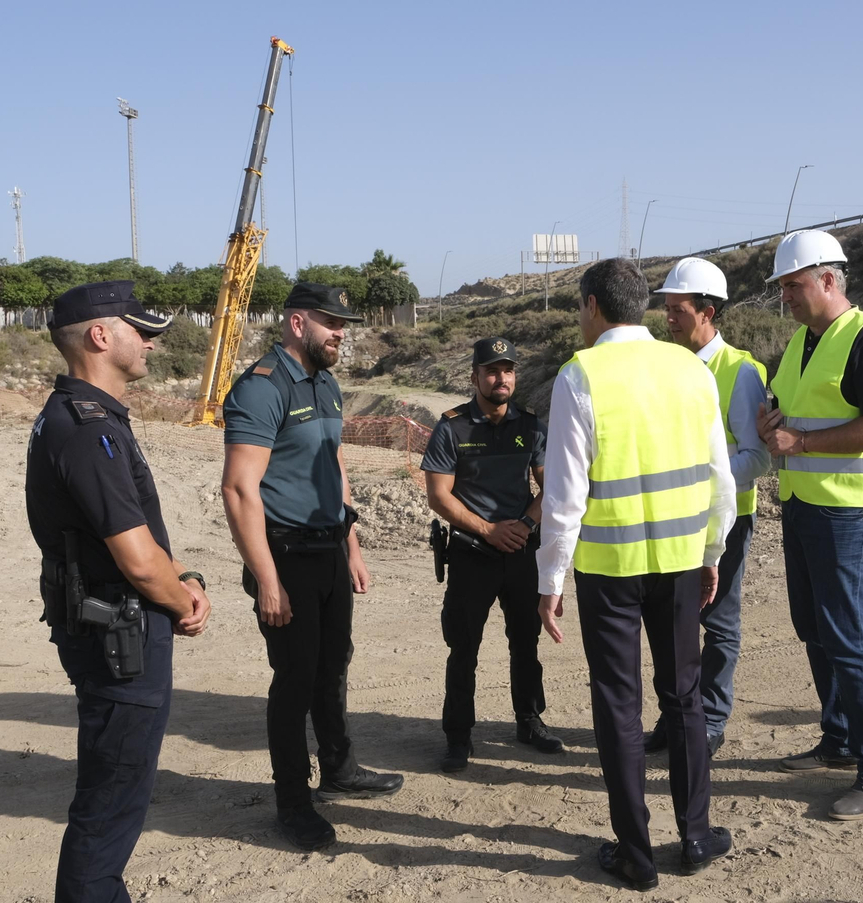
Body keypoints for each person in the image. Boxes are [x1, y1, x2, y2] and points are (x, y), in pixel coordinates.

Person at [537, 257, 736, 890]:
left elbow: (564, 497)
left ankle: (637, 855)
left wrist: (550, 580)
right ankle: (697, 835)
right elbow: (719, 479)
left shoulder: (581, 374)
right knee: (683, 697)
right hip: (680, 565)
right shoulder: (691, 367)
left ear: (593, 305)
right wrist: (712, 554)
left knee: (619, 706)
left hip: (609, 571)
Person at [25, 280, 212, 903]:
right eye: (142, 331)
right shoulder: (86, 428)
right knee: (110, 804)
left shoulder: (83, 417)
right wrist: (182, 599)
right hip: (119, 639)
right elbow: (135, 560)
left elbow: (137, 539)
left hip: (116, 628)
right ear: (101, 337)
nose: (152, 344)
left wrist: (182, 574)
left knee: (113, 795)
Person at [221, 282, 403, 852]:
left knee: (333, 667)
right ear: (298, 324)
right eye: (332, 323)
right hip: (287, 556)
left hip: (328, 548)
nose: (342, 332)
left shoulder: (325, 384)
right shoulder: (261, 389)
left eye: (344, 323)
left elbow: (336, 463)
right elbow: (238, 488)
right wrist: (268, 579)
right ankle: (293, 804)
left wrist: (351, 544)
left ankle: (340, 767)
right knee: (295, 680)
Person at [755, 230, 863, 821]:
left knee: (847, 635)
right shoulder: (801, 343)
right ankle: (839, 739)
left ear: (827, 279)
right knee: (812, 626)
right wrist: (772, 424)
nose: (785, 297)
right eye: (781, 288)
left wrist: (803, 441)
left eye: (792, 285)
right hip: (804, 504)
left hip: (851, 510)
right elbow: (787, 411)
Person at [420, 337, 561, 773]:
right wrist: (488, 530)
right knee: (463, 648)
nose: (502, 378)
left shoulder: (532, 425)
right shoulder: (452, 427)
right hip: (471, 553)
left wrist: (526, 526)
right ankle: (458, 737)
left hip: (520, 551)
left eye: (509, 370)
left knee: (526, 642)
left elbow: (549, 484)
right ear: (475, 377)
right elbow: (439, 496)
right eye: (493, 371)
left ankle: (528, 719)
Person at [648, 257, 770, 759]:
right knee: (673, 620)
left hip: (726, 518)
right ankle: (677, 714)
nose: (668, 318)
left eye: (677, 309)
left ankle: (712, 718)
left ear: (708, 311)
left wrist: (703, 488)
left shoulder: (740, 372)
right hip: (677, 517)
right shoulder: (670, 365)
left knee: (717, 620)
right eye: (667, 309)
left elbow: (756, 456)